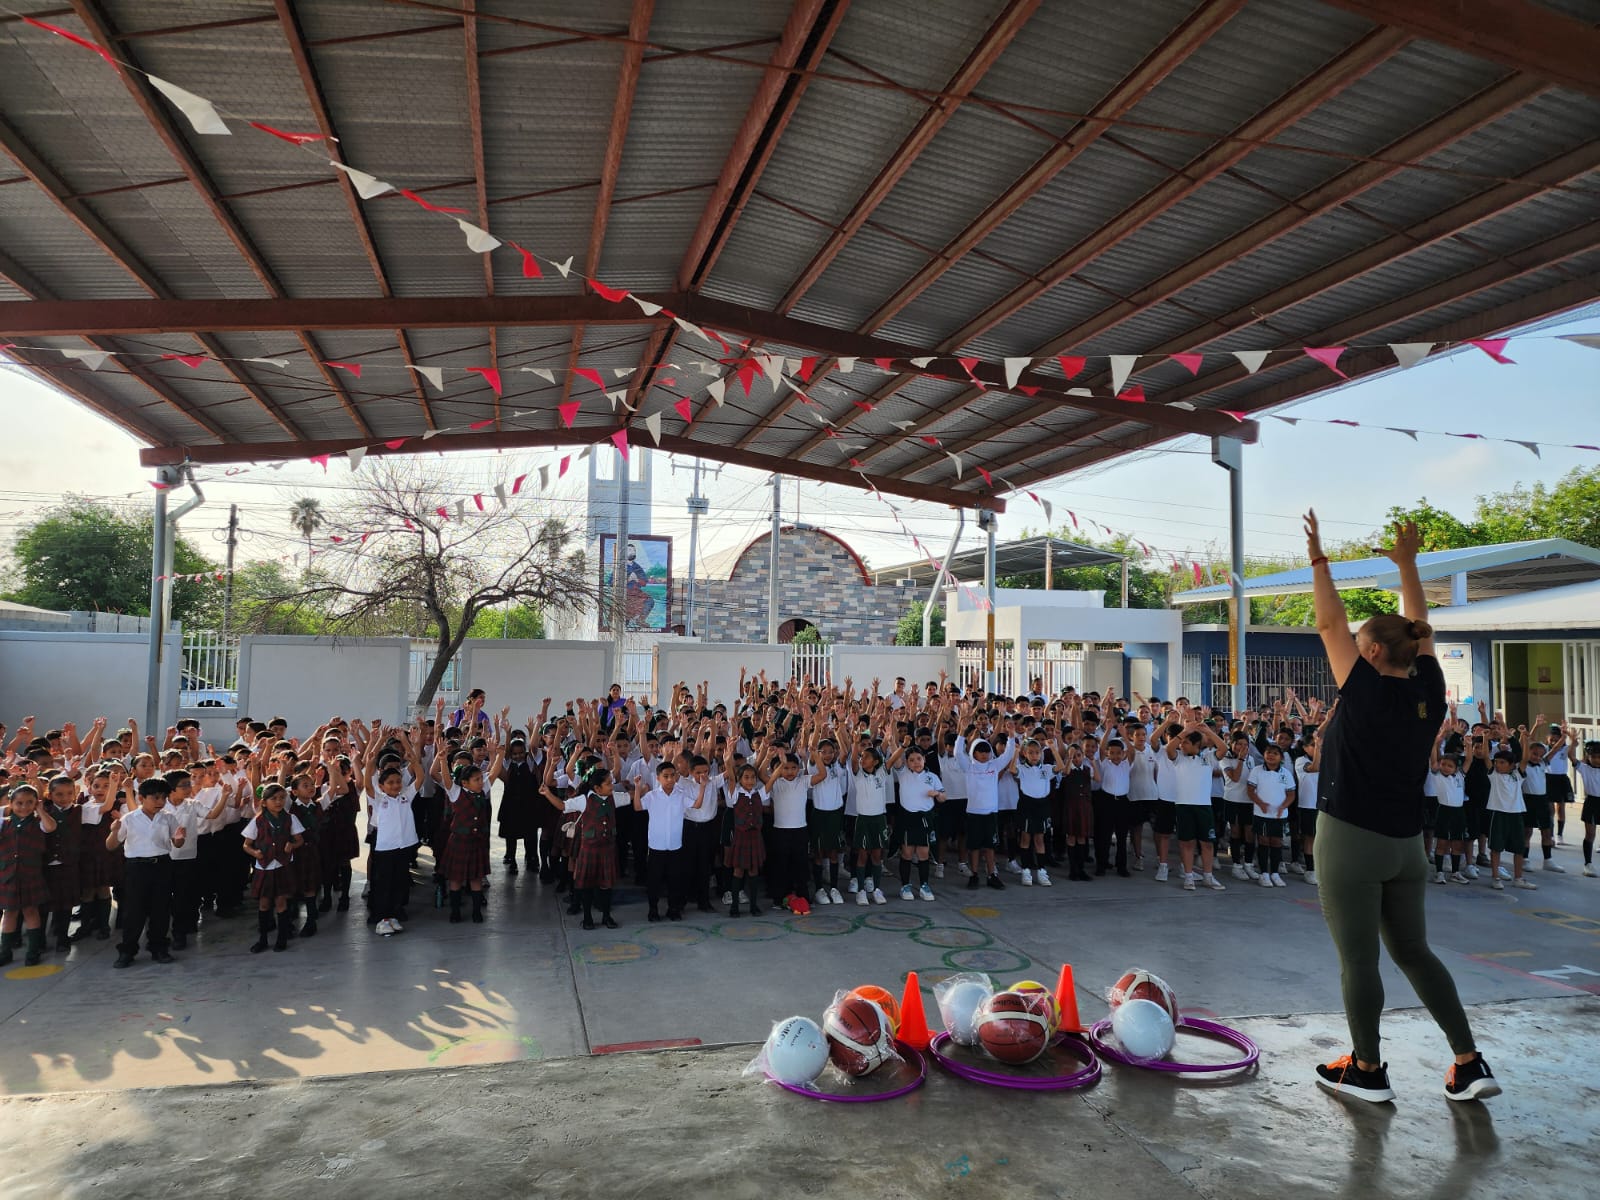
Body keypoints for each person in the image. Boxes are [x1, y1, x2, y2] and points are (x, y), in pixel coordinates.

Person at [1304, 512, 1499, 1103]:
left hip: (1351, 841)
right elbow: (1422, 629)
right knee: (1414, 950)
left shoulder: (1363, 689)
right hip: (1407, 845)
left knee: (1359, 960)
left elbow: (1328, 619)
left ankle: (1366, 1069)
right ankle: (1468, 1063)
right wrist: (1408, 565)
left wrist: (1318, 557)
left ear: (1368, 650)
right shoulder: (1429, 687)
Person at [107, 776, 186, 968]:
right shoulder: (129, 819)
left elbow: (177, 843)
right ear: (141, 798)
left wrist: (179, 838)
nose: (160, 802)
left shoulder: (168, 817)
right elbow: (111, 845)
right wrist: (113, 831)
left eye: (163, 798)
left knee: (160, 909)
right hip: (137, 867)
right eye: (155, 798)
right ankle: (127, 950)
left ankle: (158, 947)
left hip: (161, 864)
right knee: (134, 911)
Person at [242, 783, 304, 954]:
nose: (278, 802)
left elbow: (299, 839)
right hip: (264, 867)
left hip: (282, 866)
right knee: (264, 903)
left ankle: (282, 938)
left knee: (281, 902)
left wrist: (292, 844)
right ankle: (262, 939)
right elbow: (246, 844)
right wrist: (255, 852)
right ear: (264, 802)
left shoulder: (290, 818)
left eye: (282, 798)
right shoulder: (258, 821)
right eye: (274, 799)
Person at [1, 783, 58, 966]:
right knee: (9, 913)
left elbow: (51, 827)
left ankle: (33, 951)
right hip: (8, 875)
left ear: (36, 803)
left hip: (30, 874)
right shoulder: (5, 823)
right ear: (11, 804)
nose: (24, 807)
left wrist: (40, 810)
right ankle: (5, 951)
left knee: (31, 911)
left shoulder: (39, 823)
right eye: (19, 803)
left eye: (29, 803)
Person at [1577, 738, 1600, 877]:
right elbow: (1572, 758)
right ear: (1588, 757)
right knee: (1590, 834)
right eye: (1594, 757)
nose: (1597, 760)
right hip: (1591, 803)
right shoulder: (1584, 769)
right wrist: (1573, 743)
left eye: (1599, 757)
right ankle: (1588, 864)